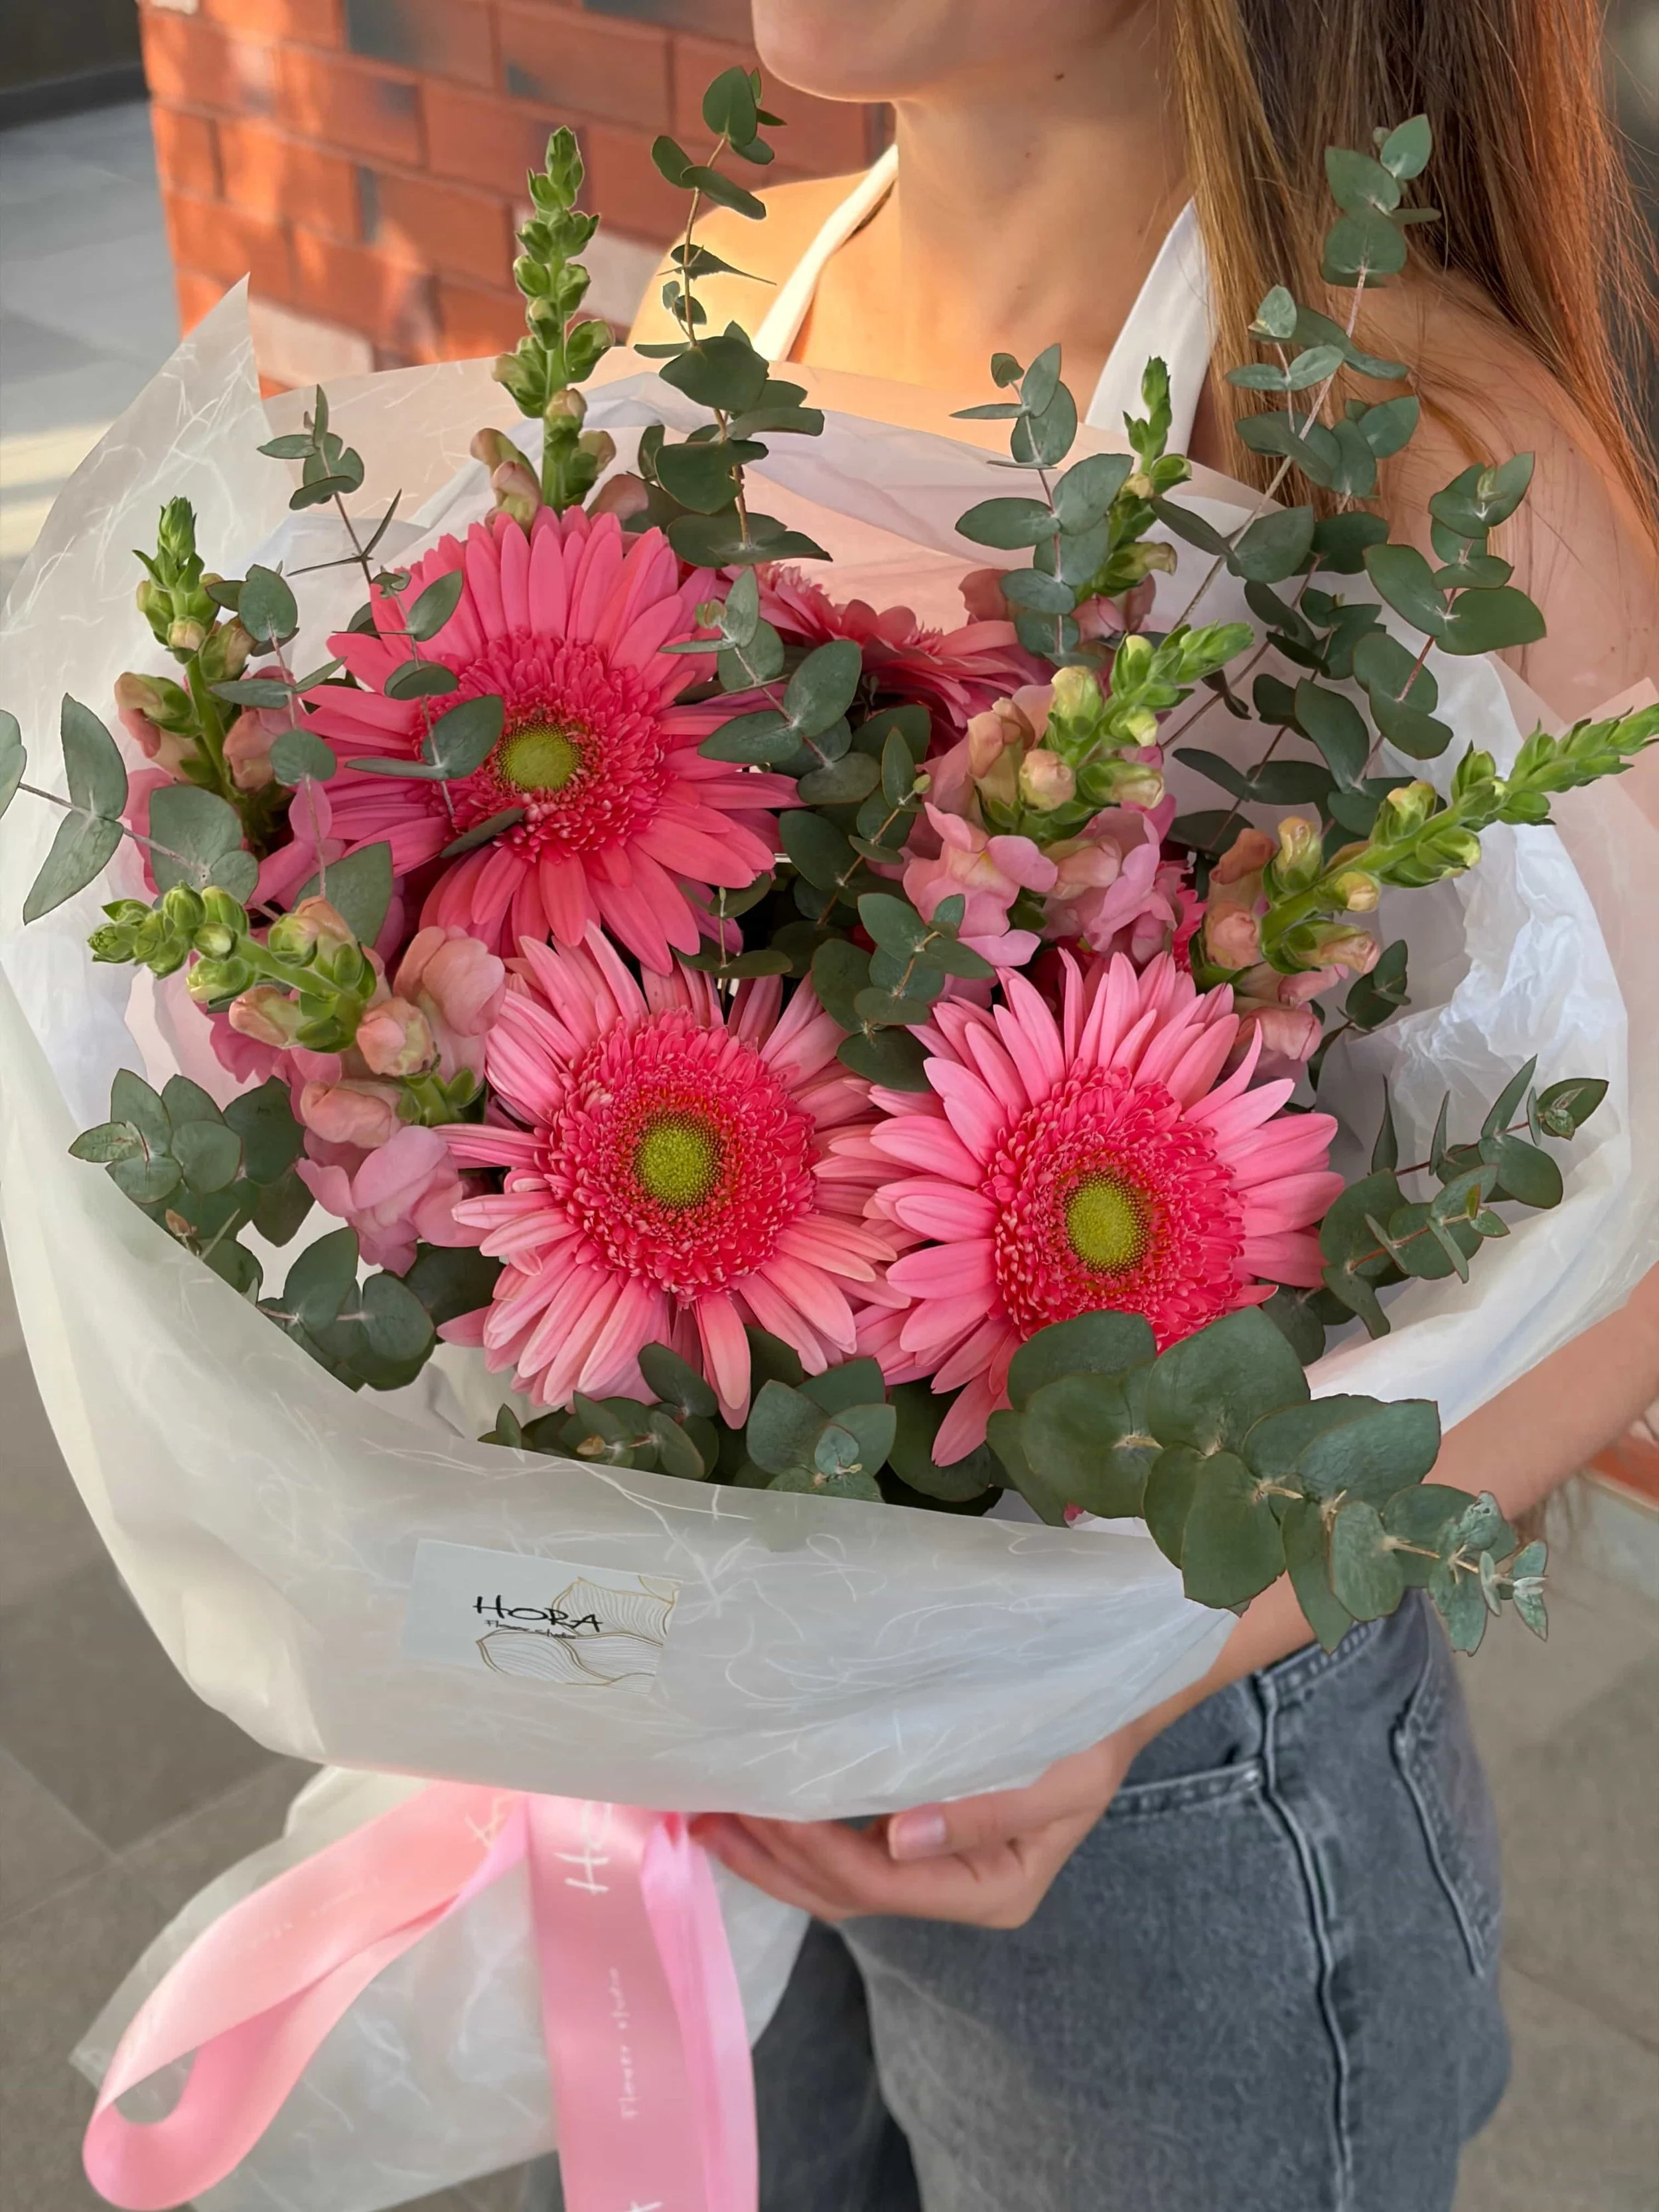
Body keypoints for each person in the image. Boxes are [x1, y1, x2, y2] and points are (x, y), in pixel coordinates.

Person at [536, 6, 1659, 2208]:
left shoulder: (1410, 439)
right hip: (730, 1705)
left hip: (1172, 1779)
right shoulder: (728, 296)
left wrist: (1135, 1683)